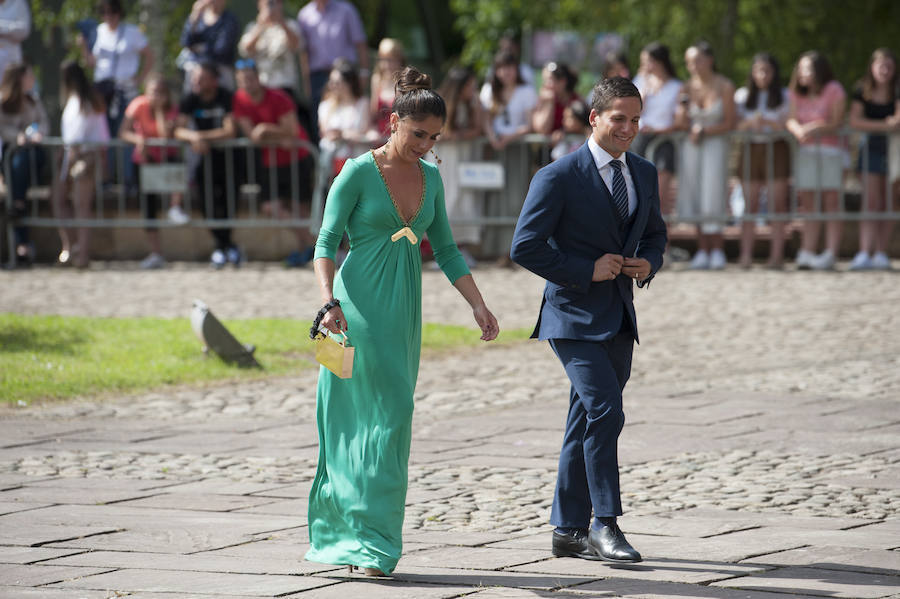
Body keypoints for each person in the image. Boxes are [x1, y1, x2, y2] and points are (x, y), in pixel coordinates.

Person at [305, 66, 499, 576]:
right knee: (345, 421)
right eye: (419, 134)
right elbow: (325, 243)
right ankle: (352, 539)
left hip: (403, 315)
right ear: (394, 121)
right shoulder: (356, 172)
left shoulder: (432, 178)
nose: (427, 144)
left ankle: (376, 542)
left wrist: (477, 303)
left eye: (435, 137)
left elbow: (450, 252)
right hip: (351, 312)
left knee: (391, 424)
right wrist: (328, 303)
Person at [510, 76, 667, 565]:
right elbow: (524, 246)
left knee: (585, 419)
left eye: (636, 119)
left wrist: (649, 262)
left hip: (619, 314)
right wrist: (585, 270)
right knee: (605, 412)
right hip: (571, 316)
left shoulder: (643, 172)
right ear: (593, 117)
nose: (628, 128)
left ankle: (567, 530)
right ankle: (605, 523)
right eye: (618, 118)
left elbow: (656, 235)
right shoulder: (556, 176)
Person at [232, 58, 314, 267]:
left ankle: (307, 249)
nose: (247, 84)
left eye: (250, 79)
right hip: (272, 160)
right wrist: (277, 135)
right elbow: (253, 136)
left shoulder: (278, 97)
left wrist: (267, 130)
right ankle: (313, 245)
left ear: (258, 78)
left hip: (298, 157)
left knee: (300, 208)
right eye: (242, 80)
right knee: (271, 207)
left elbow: (293, 131)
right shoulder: (239, 100)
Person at [675, 41, 736, 270]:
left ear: (710, 60)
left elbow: (730, 122)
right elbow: (681, 122)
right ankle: (702, 248)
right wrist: (683, 111)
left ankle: (717, 249)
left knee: (714, 191)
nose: (693, 65)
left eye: (697, 60)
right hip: (692, 146)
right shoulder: (686, 88)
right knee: (695, 192)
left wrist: (705, 130)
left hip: (716, 144)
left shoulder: (724, 85)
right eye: (689, 61)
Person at [174, 61, 239, 269]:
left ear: (213, 80)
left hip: (229, 158)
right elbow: (178, 130)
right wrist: (194, 137)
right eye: (194, 79)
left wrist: (201, 137)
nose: (196, 82)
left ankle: (225, 246)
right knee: (207, 204)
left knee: (229, 204)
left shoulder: (225, 96)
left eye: (200, 79)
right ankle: (223, 246)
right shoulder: (190, 98)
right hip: (205, 159)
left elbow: (230, 131)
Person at [786, 51, 847, 270]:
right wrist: (797, 129)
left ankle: (831, 252)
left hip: (831, 151)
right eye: (801, 69)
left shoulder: (834, 90)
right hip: (807, 152)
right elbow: (791, 119)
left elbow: (836, 121)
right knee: (809, 203)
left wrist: (812, 128)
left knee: (831, 201)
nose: (804, 73)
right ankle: (807, 251)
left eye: (808, 69)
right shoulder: (795, 94)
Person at [118, 74, 184, 269]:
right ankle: (156, 252)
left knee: (171, 195)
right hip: (145, 160)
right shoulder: (137, 105)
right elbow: (123, 132)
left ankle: (175, 207)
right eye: (151, 92)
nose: (154, 96)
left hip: (167, 160)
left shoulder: (171, 109)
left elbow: (165, 134)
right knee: (148, 208)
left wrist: (158, 111)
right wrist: (138, 140)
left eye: (159, 93)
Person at [734, 52, 791, 269]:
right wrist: (750, 124)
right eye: (759, 70)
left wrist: (769, 122)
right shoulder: (743, 96)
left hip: (776, 147)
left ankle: (776, 256)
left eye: (767, 70)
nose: (763, 75)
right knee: (750, 204)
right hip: (750, 148)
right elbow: (735, 125)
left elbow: (787, 124)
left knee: (777, 204)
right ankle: (745, 255)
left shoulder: (784, 96)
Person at [52, 60, 109, 269]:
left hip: (84, 156)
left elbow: (81, 136)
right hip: (75, 156)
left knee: (81, 205)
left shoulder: (86, 100)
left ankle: (81, 252)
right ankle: (72, 246)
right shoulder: (79, 100)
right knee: (61, 200)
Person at [848, 48, 899, 270]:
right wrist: (882, 126)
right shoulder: (862, 90)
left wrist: (889, 125)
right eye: (881, 66)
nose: (885, 71)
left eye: (889, 66)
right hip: (870, 148)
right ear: (872, 67)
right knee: (871, 201)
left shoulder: (897, 90)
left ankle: (881, 251)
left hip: (895, 150)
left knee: (891, 201)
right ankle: (864, 251)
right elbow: (855, 121)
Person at [78, 0, 153, 138]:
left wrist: (141, 79)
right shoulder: (98, 31)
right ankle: (109, 160)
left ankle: (124, 159)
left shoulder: (132, 32)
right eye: (104, 13)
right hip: (103, 90)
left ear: (119, 13)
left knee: (123, 129)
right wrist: (84, 47)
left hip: (125, 89)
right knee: (104, 131)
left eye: (112, 12)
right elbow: (91, 63)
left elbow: (149, 56)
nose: (108, 16)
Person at [297, 0, 369, 142]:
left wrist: (364, 72)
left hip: (346, 75)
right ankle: (326, 161)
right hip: (317, 77)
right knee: (322, 124)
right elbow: (304, 53)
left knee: (353, 117)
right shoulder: (304, 15)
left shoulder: (346, 9)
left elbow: (360, 43)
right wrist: (306, 82)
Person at [435, 65, 485, 266]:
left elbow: (477, 129)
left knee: (465, 200)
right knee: (448, 200)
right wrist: (450, 136)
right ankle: (444, 250)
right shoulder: (440, 103)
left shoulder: (470, 104)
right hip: (445, 159)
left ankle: (461, 248)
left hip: (464, 158)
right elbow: (438, 132)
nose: (472, 89)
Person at [0, 62, 48, 265]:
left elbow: (44, 123)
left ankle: (17, 205)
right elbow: (3, 128)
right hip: (13, 154)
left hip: (31, 155)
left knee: (21, 164)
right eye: (29, 74)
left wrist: (37, 135)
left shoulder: (33, 100)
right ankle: (22, 244)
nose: (33, 78)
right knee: (17, 162)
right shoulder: (4, 102)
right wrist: (17, 137)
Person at [632, 42, 681, 219]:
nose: (644, 65)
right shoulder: (639, 82)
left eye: (647, 61)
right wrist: (644, 90)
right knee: (638, 193)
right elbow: (633, 110)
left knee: (660, 196)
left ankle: (662, 243)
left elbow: (680, 120)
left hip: (664, 141)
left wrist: (659, 130)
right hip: (640, 139)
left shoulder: (676, 86)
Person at [238, 0, 303, 104]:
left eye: (275, 2)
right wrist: (261, 25)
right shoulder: (252, 27)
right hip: (262, 88)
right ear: (259, 5)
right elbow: (245, 50)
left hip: (285, 85)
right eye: (267, 3)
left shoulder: (291, 25)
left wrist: (281, 22)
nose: (271, 6)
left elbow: (296, 46)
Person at [318, 58, 370, 179]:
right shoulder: (325, 106)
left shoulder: (362, 104)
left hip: (357, 161)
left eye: (337, 82)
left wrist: (342, 135)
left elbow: (363, 131)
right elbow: (326, 132)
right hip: (332, 163)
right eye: (331, 82)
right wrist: (347, 135)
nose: (332, 86)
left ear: (349, 83)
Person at [481, 50, 538, 151]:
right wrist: (493, 139)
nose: (505, 72)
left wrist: (509, 137)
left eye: (509, 67)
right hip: (493, 146)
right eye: (501, 68)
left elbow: (530, 125)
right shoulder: (489, 90)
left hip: (519, 147)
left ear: (516, 69)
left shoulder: (527, 91)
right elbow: (486, 120)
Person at [179, 0, 240, 92]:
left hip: (220, 70)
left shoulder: (229, 20)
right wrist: (194, 17)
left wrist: (199, 48)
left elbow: (221, 49)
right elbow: (186, 42)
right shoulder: (197, 17)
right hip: (194, 68)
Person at [369, 38, 405, 141]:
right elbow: (373, 113)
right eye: (383, 59)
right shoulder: (377, 80)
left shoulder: (404, 82)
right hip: (380, 138)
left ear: (399, 60)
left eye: (391, 60)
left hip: (398, 138)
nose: (387, 65)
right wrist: (372, 130)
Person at [532, 61, 579, 137]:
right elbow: (542, 129)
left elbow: (582, 126)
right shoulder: (544, 100)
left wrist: (564, 133)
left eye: (549, 80)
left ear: (563, 82)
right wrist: (550, 103)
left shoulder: (576, 100)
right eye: (544, 80)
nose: (545, 84)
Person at [0, 0, 30, 81]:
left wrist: (2, 28)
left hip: (12, 58)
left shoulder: (18, 3)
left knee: (12, 87)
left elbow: (24, 30)